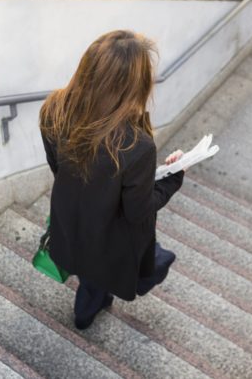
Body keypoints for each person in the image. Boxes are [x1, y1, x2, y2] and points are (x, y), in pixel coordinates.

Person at [39, 30, 185, 330]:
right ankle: (91, 307)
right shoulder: (137, 145)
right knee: (101, 273)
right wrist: (173, 177)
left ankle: (89, 308)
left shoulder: (54, 109)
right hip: (108, 236)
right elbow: (137, 211)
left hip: (70, 222)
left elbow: (59, 168)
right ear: (137, 84)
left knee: (87, 269)